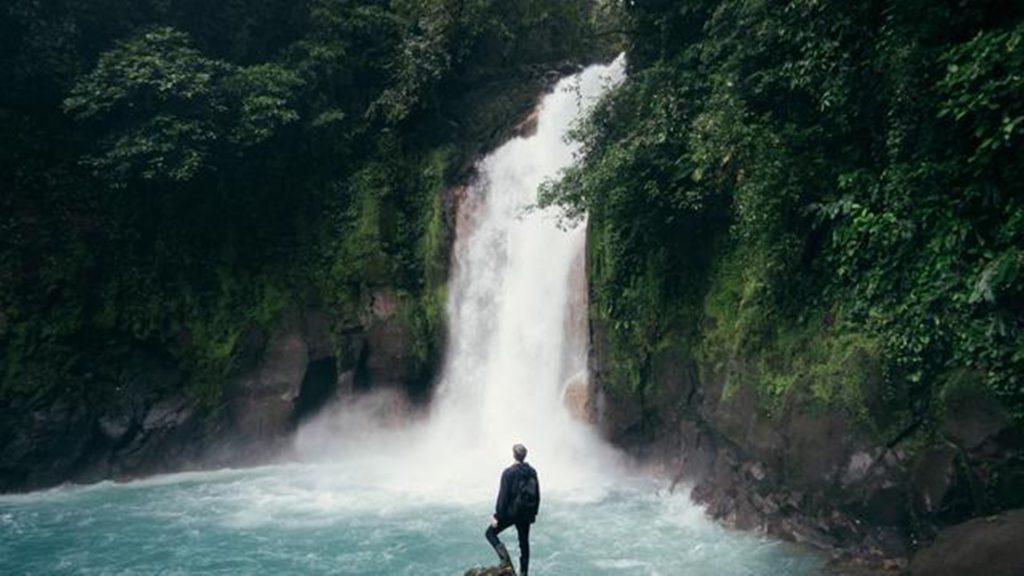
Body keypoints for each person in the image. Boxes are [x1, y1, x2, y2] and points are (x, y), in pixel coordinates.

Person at [485, 443, 540, 576]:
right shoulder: (532, 471)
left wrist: (497, 517)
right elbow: (537, 494)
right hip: (526, 513)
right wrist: (533, 513)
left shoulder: (508, 472)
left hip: (512, 513)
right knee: (524, 543)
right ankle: (524, 572)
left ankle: (505, 561)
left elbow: (503, 497)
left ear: (513, 455)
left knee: (490, 533)